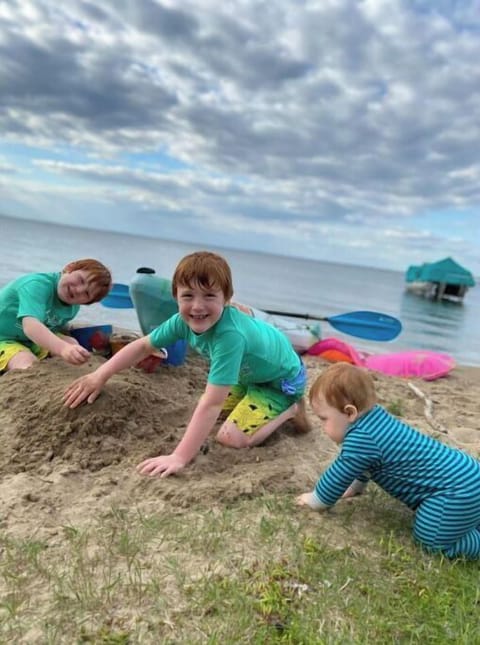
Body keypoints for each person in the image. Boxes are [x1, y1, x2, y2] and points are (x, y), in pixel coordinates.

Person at [64, 251, 310, 476]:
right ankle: (256, 397)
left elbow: (211, 403)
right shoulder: (180, 321)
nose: (198, 306)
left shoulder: (230, 336)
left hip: (279, 381)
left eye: (209, 296)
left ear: (226, 299)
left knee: (229, 437)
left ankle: (291, 410)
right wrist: (99, 375)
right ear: (176, 297)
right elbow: (143, 346)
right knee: (212, 417)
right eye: (188, 296)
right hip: (249, 376)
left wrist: (179, 457)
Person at [296, 362, 480, 560]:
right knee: (466, 514)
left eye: (324, 419)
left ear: (350, 413)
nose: (321, 425)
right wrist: (356, 488)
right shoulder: (376, 420)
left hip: (452, 491)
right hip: (467, 472)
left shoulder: (362, 439)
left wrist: (317, 500)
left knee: (431, 538)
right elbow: (363, 464)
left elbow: (338, 475)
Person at [0, 259, 112, 372]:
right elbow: (30, 326)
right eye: (81, 280)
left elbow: (55, 325)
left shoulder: (73, 307)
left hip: (29, 340)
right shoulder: (36, 285)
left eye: (86, 293)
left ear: (86, 303)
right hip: (3, 338)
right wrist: (63, 348)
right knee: (27, 362)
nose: (78, 290)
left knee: (72, 344)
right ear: (69, 268)